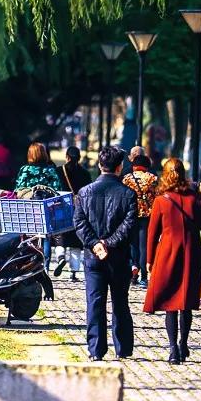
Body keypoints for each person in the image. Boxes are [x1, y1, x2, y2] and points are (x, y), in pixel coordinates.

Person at [143, 156, 201, 364]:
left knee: (171, 304)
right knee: (185, 300)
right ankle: (184, 344)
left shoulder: (161, 200)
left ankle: (173, 348)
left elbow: (152, 232)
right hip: (192, 253)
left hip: (167, 253)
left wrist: (149, 259)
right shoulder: (196, 199)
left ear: (165, 175)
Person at [71, 145, 137, 360]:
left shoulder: (84, 192)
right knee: (120, 303)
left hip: (93, 256)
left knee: (95, 302)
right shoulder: (128, 194)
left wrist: (95, 244)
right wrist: (110, 243)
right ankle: (123, 348)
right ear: (120, 167)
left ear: (100, 165)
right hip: (118, 256)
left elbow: (79, 222)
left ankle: (96, 350)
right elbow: (129, 225)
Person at [55, 146, 92, 280]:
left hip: (61, 208)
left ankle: (60, 257)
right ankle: (74, 272)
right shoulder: (85, 174)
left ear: (67, 157)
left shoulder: (58, 171)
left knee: (59, 235)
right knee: (76, 240)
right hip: (79, 209)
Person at [122, 149, 158, 284]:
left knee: (133, 245)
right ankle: (144, 276)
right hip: (147, 216)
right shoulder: (152, 178)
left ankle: (133, 272)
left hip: (131, 215)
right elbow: (157, 195)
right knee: (144, 246)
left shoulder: (127, 178)